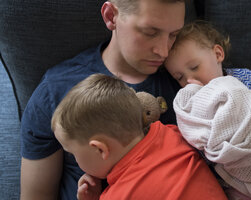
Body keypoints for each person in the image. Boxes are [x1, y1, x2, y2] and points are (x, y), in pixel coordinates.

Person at [20, 0, 251, 200]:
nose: (163, 51)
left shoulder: (186, 73)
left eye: (173, 34)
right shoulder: (55, 91)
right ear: (111, 17)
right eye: (150, 32)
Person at [165, 21, 251, 200]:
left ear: (218, 54)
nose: (189, 81)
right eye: (179, 77)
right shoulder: (192, 104)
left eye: (194, 67)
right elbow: (196, 137)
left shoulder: (241, 78)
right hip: (226, 180)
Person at [51, 73, 228, 200]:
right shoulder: (171, 133)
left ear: (99, 149)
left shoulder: (119, 195)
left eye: (72, 153)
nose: (74, 160)